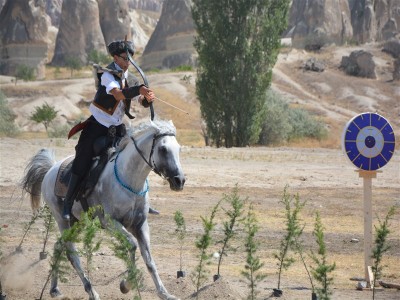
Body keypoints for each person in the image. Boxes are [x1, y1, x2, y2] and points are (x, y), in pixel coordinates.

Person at [62, 40, 155, 221]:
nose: (128, 62)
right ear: (115, 58)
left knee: (134, 156)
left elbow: (139, 101)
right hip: (97, 125)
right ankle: (67, 203)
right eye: (124, 58)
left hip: (117, 127)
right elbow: (119, 95)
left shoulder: (131, 78)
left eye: (130, 59)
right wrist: (139, 89)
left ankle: (142, 200)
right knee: (82, 160)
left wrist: (147, 99)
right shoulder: (107, 74)